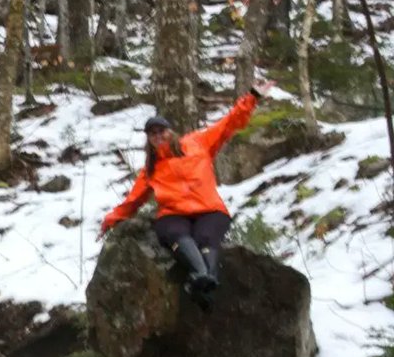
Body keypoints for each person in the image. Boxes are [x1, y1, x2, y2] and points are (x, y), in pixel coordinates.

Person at [99, 79, 275, 308]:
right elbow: (133, 201)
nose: (158, 136)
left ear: (169, 131)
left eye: (161, 130)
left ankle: (204, 280)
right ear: (148, 139)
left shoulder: (196, 143)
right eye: (152, 133)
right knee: (171, 232)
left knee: (205, 238)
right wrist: (110, 221)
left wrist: (252, 96)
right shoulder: (150, 170)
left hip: (209, 209)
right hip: (174, 214)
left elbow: (229, 123)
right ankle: (204, 275)